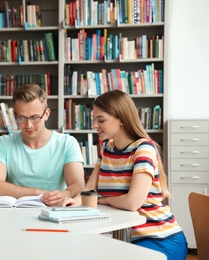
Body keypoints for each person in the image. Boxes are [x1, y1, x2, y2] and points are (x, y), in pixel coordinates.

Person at [63, 89, 188, 259]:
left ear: (121, 119)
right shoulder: (106, 149)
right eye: (94, 119)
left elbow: (132, 202)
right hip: (127, 238)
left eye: (101, 120)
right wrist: (72, 203)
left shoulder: (143, 149)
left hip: (160, 237)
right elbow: (89, 190)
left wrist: (103, 200)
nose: (94, 126)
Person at [0, 84, 85, 206]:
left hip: (54, 209)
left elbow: (78, 184)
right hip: (14, 213)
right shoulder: (3, 143)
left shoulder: (67, 143)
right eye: (21, 118)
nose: (28, 125)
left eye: (35, 118)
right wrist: (38, 193)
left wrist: (63, 195)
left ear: (47, 114)